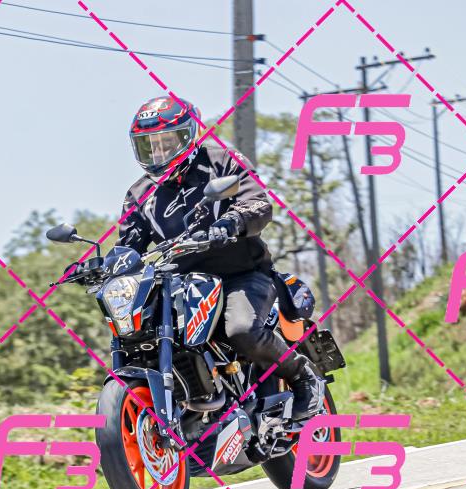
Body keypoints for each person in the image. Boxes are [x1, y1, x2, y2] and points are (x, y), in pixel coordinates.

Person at [118, 95, 324, 420]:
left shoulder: (221, 160)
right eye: (149, 146)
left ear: (187, 135)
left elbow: (258, 202)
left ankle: (302, 376)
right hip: (182, 285)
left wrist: (231, 222)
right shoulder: (140, 194)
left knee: (241, 329)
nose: (158, 152)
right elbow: (129, 244)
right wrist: (106, 264)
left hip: (241, 274)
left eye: (165, 142)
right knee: (142, 331)